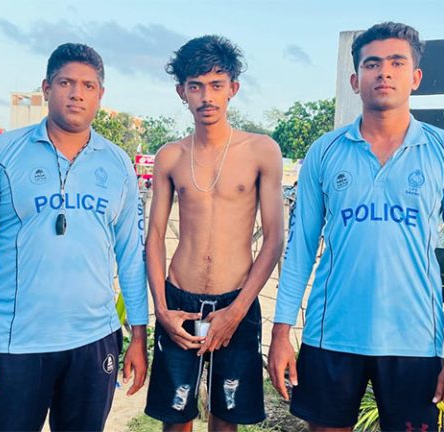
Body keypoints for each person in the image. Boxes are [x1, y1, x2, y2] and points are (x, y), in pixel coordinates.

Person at [268, 22, 444, 432]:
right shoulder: (325, 153)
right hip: (330, 337)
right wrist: (281, 335)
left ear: (415, 77)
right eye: (372, 64)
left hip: (415, 341)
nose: (384, 72)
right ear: (355, 79)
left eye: (396, 63)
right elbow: (298, 251)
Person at [0, 43, 148, 431]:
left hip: (94, 340)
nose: (76, 93)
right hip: (16, 345)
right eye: (66, 82)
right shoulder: (3, 154)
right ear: (47, 88)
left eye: (88, 85)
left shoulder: (117, 164)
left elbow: (131, 254)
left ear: (100, 94)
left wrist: (138, 335)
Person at [144, 35, 284, 431]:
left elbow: (274, 237)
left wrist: (237, 310)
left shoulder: (261, 151)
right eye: (196, 86)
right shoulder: (170, 156)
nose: (207, 96)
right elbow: (154, 236)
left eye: (216, 85)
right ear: (181, 92)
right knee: (176, 417)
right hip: (180, 298)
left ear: (232, 89)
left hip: (235, 299)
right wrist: (162, 309)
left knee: (227, 417)